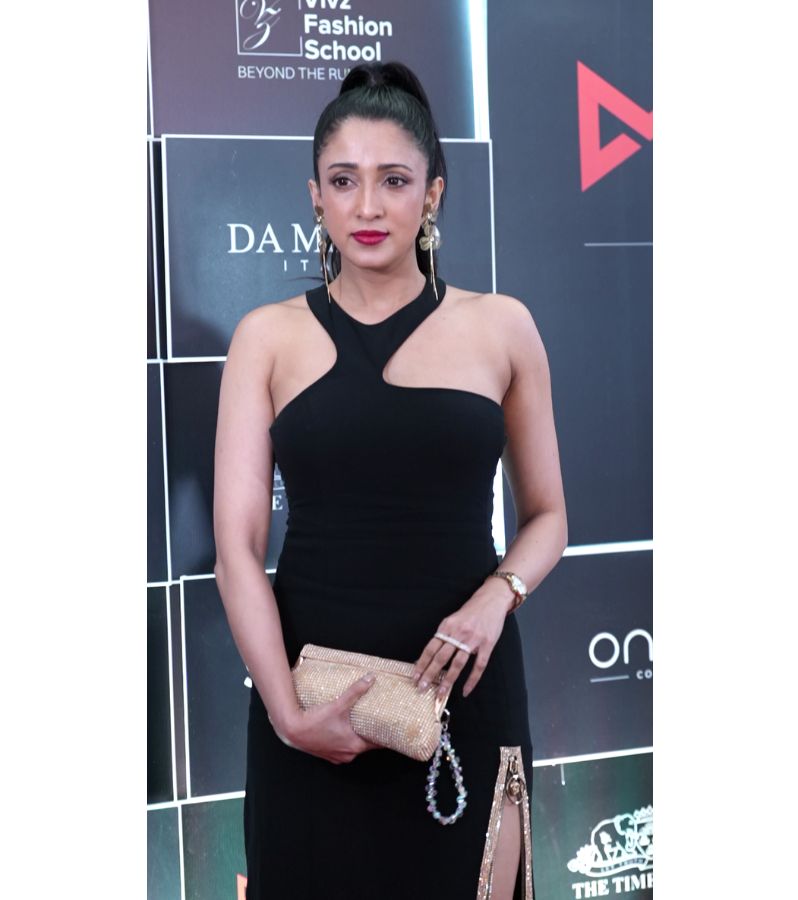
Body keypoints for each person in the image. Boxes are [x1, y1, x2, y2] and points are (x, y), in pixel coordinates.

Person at [213, 61, 567, 899]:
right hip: (310, 703)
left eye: (394, 180)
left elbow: (549, 515)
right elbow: (236, 549)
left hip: (464, 697)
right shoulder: (266, 338)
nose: (367, 207)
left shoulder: (502, 327)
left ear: (433, 193)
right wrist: (288, 715)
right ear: (316, 197)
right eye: (344, 181)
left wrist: (496, 601)